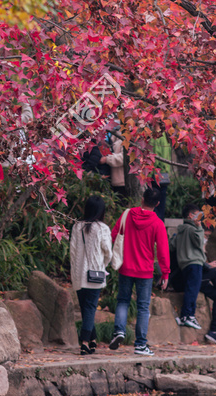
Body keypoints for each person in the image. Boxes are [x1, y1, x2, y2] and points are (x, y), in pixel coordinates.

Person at [109, 187, 170, 357]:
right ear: (157, 204)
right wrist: (165, 273)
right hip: (145, 271)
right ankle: (140, 345)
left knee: (123, 301)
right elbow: (163, 251)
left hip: (125, 267)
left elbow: (114, 235)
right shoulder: (157, 223)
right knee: (143, 307)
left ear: (142, 199)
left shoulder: (127, 215)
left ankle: (119, 332)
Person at [174, 203, 216, 339]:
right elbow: (198, 245)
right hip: (191, 269)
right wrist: (199, 228)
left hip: (195, 267)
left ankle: (214, 331)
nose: (201, 218)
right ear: (190, 216)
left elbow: (182, 248)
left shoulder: (182, 231)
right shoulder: (191, 229)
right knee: (214, 274)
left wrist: (206, 264)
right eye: (198, 215)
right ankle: (188, 315)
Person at [69, 196, 113, 355]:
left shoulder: (77, 226)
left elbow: (72, 252)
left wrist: (74, 270)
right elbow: (108, 252)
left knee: (86, 308)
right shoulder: (102, 228)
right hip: (95, 274)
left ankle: (92, 340)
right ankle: (85, 342)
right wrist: (103, 264)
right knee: (90, 308)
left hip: (79, 274)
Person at [100, 125, 127, 199]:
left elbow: (124, 158)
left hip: (122, 180)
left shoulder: (124, 140)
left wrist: (107, 159)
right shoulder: (113, 139)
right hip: (115, 179)